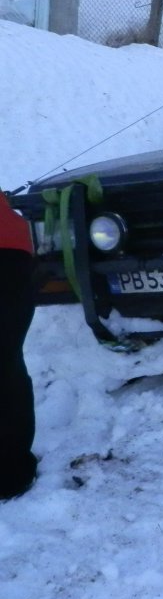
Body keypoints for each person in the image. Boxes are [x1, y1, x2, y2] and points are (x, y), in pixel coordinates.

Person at [0, 191, 37, 500]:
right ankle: (13, 470)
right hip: (14, 253)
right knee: (8, 359)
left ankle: (12, 474)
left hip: (8, 255)